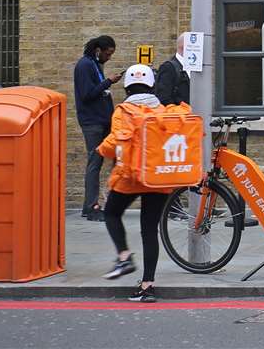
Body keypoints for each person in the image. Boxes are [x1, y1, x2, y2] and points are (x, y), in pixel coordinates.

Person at [96, 63, 168, 303]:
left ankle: (124, 256)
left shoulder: (123, 111)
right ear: (152, 85)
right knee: (150, 230)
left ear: (127, 87)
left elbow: (116, 141)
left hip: (131, 176)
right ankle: (147, 286)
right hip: (157, 178)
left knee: (111, 213)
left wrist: (101, 149)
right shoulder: (163, 111)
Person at [74, 35, 122, 221]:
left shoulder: (94, 64)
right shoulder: (85, 65)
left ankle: (103, 203)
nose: (109, 57)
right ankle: (91, 207)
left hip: (101, 121)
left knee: (108, 159)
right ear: (98, 50)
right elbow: (87, 94)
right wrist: (108, 81)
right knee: (94, 163)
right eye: (108, 53)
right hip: (92, 123)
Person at [153, 34, 192, 107]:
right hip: (179, 116)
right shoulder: (168, 67)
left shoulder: (197, 68)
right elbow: (163, 97)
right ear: (184, 46)